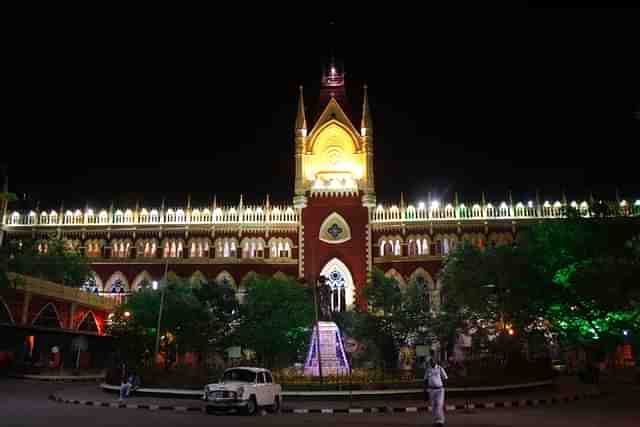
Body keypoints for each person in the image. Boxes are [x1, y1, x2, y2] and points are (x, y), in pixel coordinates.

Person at [425, 352, 448, 426]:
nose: (432, 362)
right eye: (430, 361)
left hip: (439, 390)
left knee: (439, 405)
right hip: (431, 390)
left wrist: (444, 388)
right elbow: (425, 380)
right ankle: (436, 421)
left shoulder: (440, 368)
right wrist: (425, 390)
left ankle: (440, 421)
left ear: (435, 361)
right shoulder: (428, 370)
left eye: (433, 361)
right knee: (433, 406)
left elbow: (445, 378)